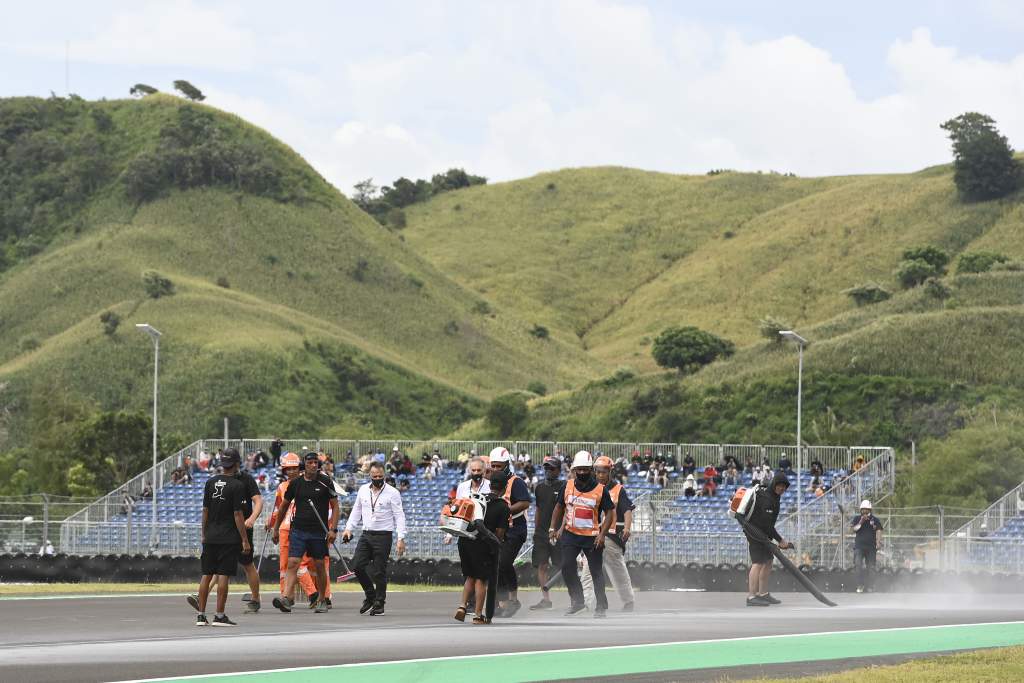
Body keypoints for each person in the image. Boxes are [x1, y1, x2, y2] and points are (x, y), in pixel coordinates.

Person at [187, 449, 250, 626]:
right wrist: (244, 539)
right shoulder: (237, 486)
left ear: (222, 464)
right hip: (229, 537)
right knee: (223, 576)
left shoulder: (210, 482)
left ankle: (200, 615)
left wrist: (203, 533)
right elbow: (238, 514)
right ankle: (220, 615)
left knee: (206, 575)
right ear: (236, 464)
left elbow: (205, 510)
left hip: (210, 536)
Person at [549, 451, 615, 618]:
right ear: (574, 470)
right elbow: (558, 508)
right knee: (566, 566)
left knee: (596, 572)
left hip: (592, 537)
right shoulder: (567, 486)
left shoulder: (601, 490)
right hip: (571, 534)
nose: (583, 473)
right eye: (580, 470)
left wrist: (602, 535)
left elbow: (610, 513)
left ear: (591, 469)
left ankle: (601, 606)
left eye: (586, 469)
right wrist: (552, 528)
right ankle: (577, 601)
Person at [271, 451, 338, 614]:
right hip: (298, 530)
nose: (313, 465)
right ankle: (286, 598)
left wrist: (333, 529)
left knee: (320, 565)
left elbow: (336, 506)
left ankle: (322, 599)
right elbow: (284, 506)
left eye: (316, 463)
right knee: (293, 563)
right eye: (310, 463)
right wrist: (275, 528)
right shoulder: (295, 484)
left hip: (318, 532)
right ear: (305, 465)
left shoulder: (326, 482)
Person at [343, 461, 407, 616]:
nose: (377, 478)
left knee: (379, 571)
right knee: (357, 566)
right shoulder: (363, 490)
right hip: (366, 534)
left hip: (384, 535)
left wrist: (401, 538)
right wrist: (348, 529)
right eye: (374, 476)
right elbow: (356, 510)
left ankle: (379, 603)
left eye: (380, 476)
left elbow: (399, 516)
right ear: (369, 476)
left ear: (384, 475)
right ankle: (370, 596)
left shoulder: (393, 493)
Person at [450, 470, 510, 625]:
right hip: (483, 545)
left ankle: (462, 606)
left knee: (470, 576)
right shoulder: (502, 506)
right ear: (504, 487)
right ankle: (478, 615)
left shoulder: (476, 499)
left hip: (465, 541)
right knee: (481, 580)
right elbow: (499, 533)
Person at [581, 456, 635, 612]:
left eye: (604, 472)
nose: (600, 475)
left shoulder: (618, 490)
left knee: (618, 572)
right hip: (593, 536)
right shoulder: (589, 490)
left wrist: (627, 527)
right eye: (598, 472)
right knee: (587, 573)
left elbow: (627, 510)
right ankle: (586, 604)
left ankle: (628, 601)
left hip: (611, 537)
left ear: (610, 472)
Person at [488, 447, 531, 617]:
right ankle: (501, 603)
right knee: (496, 566)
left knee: (504, 562)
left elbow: (525, 503)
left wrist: (505, 511)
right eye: (494, 466)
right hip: (499, 530)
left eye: (499, 466)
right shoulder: (490, 481)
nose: (496, 469)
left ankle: (514, 600)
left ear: (506, 465)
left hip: (515, 529)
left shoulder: (516, 482)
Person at [744, 472, 793, 607]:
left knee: (768, 561)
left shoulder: (774, 497)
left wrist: (778, 540)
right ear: (774, 485)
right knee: (758, 563)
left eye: (784, 487)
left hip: (763, 534)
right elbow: (766, 524)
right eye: (780, 486)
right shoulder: (767, 499)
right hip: (754, 532)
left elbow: (768, 525)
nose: (782, 489)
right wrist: (780, 540)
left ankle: (763, 593)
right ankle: (751, 596)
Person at [230, 447, 264, 614]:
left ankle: (256, 598)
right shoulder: (219, 479)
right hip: (226, 527)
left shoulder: (247, 479)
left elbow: (258, 501)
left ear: (237, 464)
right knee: (218, 564)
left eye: (230, 464)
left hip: (243, 527)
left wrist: (251, 519)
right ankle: (202, 596)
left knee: (247, 564)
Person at [529, 457, 564, 611]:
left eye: (552, 468)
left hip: (558, 533)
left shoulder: (565, 486)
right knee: (542, 565)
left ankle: (576, 598)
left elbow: (567, 510)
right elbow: (538, 509)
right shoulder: (539, 487)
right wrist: (536, 529)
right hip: (542, 533)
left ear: (558, 470)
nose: (548, 471)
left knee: (563, 566)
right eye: (546, 468)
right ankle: (546, 599)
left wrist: (561, 529)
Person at [851, 499, 883, 593]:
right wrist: (861, 521)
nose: (864, 511)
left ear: (870, 510)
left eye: (866, 509)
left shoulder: (875, 519)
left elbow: (879, 530)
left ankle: (871, 586)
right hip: (859, 547)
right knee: (858, 565)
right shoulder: (857, 518)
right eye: (863, 509)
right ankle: (860, 585)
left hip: (871, 547)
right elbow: (853, 530)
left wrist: (878, 541)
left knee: (871, 567)